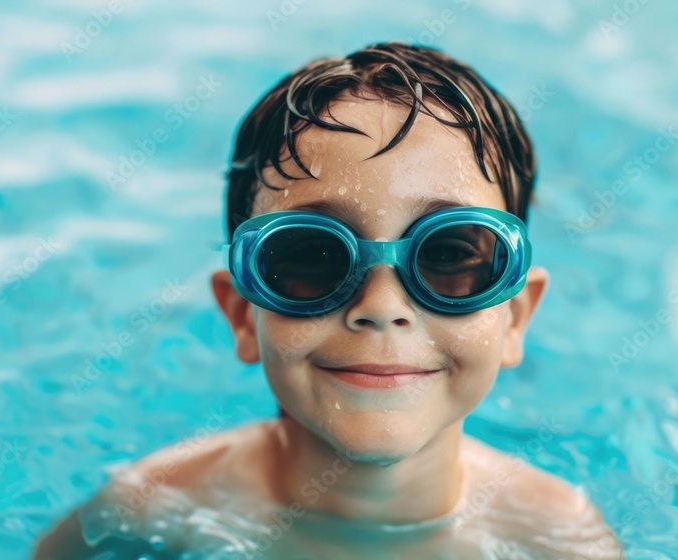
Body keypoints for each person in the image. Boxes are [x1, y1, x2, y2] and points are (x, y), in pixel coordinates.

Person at [35, 42, 623, 559]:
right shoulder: (157, 505)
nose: (382, 304)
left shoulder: (553, 537)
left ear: (515, 317)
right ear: (242, 313)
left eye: (447, 256)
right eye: (313, 257)